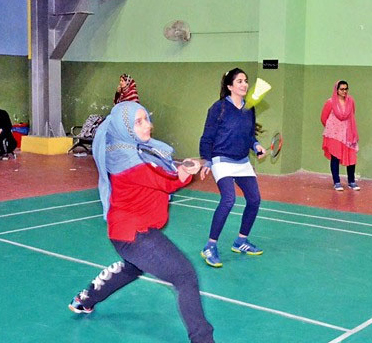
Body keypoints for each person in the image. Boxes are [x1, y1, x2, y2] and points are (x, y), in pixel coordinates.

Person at [68, 101, 214, 343]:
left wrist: (183, 168)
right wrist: (188, 170)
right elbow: (167, 180)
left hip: (125, 233)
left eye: (146, 118)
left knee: (133, 266)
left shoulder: (126, 149)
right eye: (139, 121)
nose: (148, 125)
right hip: (135, 235)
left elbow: (160, 170)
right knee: (185, 276)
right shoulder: (128, 161)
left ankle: (86, 299)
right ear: (123, 126)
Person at [198, 68, 265, 268]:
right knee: (228, 199)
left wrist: (255, 145)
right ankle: (210, 246)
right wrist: (207, 160)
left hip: (242, 161)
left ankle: (241, 241)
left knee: (254, 199)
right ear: (229, 87)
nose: (244, 84)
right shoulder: (218, 108)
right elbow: (207, 137)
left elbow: (249, 134)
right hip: (222, 159)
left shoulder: (249, 108)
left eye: (246, 81)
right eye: (239, 81)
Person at [321, 80, 361, 191]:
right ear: (336, 90)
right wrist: (333, 128)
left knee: (351, 157)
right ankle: (336, 182)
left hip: (348, 133)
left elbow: (352, 114)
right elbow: (324, 118)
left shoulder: (351, 101)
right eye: (342, 89)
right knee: (335, 157)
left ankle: (351, 181)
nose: (344, 91)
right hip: (334, 135)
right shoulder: (330, 102)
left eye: (346, 89)